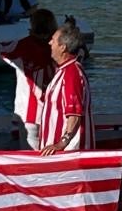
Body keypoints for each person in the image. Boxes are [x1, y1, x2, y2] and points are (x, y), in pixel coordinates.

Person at [0, 8, 57, 138]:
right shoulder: (58, 46)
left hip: (30, 115)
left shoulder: (23, 45)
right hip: (54, 112)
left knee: (30, 155)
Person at [36, 26, 93, 154]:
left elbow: (74, 114)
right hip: (57, 152)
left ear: (63, 47)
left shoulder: (71, 73)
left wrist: (61, 143)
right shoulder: (64, 70)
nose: (49, 43)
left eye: (53, 40)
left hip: (67, 154)